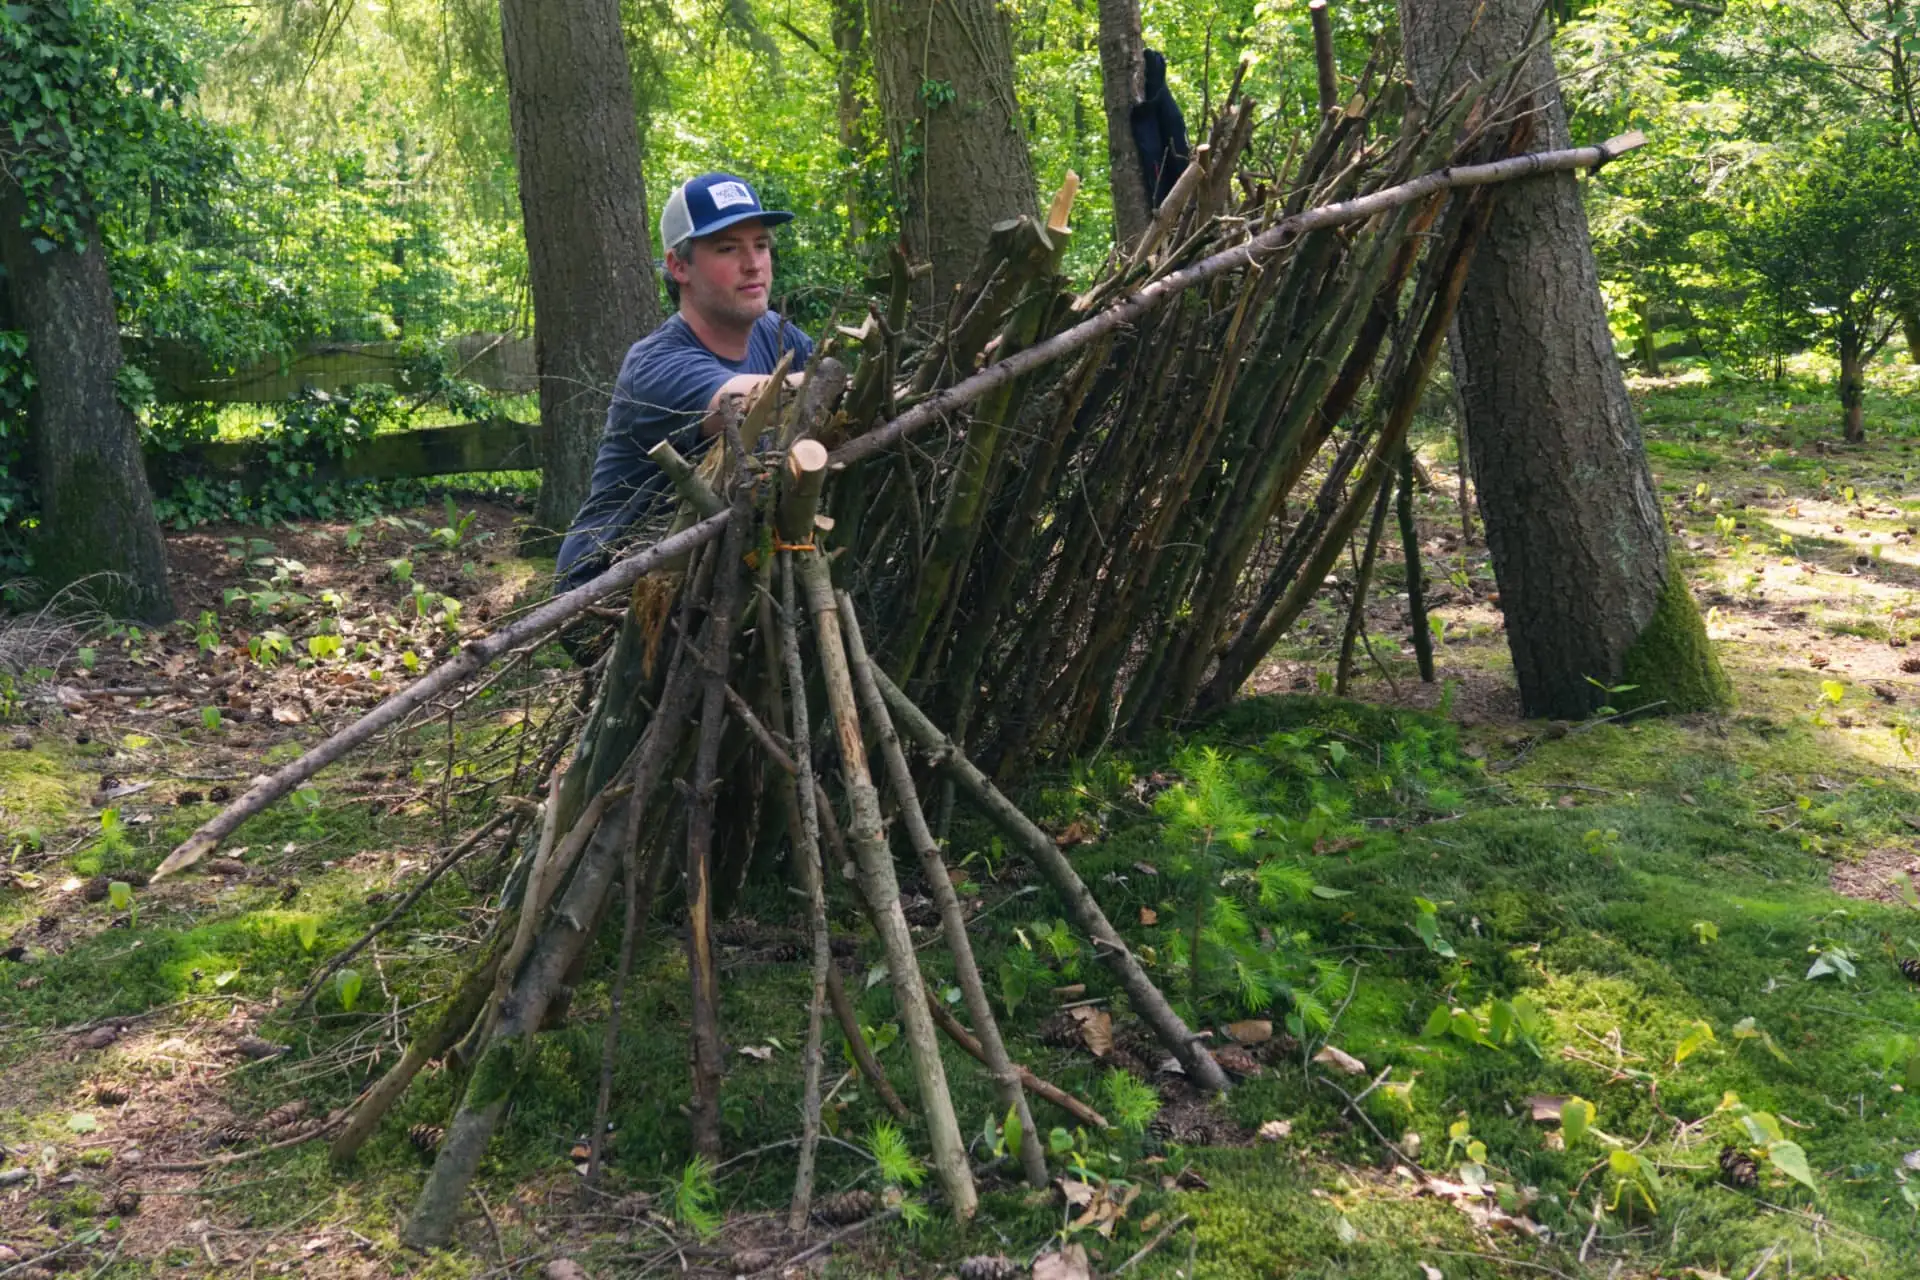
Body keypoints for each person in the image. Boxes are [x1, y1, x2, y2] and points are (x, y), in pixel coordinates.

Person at [553, 172, 815, 595]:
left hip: (714, 570)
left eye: (761, 245)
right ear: (678, 266)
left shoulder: (777, 334)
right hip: (612, 583)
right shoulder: (654, 363)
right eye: (728, 248)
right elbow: (739, 403)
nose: (753, 264)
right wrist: (831, 381)